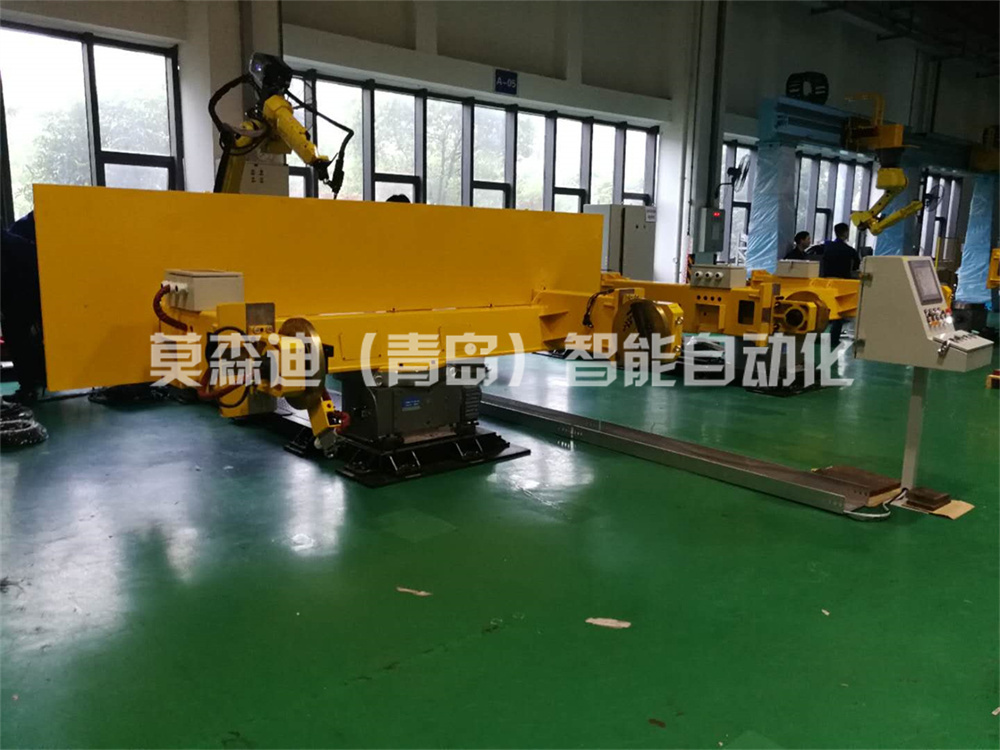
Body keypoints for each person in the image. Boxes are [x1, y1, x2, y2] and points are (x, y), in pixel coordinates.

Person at [818, 223, 860, 344]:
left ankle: (816, 336)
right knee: (839, 312)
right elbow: (856, 266)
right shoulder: (850, 251)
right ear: (846, 233)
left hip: (826, 282)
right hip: (842, 283)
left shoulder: (827, 246)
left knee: (822, 310)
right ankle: (833, 339)